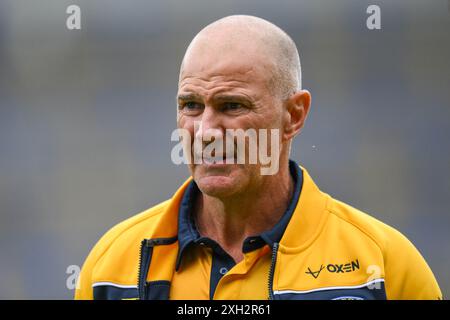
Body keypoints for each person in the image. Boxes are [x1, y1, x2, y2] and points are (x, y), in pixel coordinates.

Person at [75, 15, 442, 300]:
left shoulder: (383, 268)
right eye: (190, 105)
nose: (205, 132)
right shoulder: (112, 268)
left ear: (294, 115)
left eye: (231, 106)